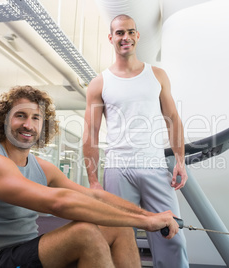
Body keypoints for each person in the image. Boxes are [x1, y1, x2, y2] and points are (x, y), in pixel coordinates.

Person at [0, 85, 180, 268]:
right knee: (85, 233)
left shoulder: (42, 168)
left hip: (28, 252)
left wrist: (150, 214)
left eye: (36, 118)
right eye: (20, 116)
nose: (28, 124)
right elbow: (58, 202)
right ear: (5, 120)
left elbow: (95, 197)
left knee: (119, 226)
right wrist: (144, 222)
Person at [83, 14, 189, 267]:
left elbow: (172, 118)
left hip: (154, 166)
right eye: (119, 33)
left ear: (137, 36)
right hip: (117, 169)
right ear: (111, 38)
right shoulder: (99, 83)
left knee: (172, 236)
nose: (125, 37)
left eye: (130, 32)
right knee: (120, 238)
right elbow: (91, 134)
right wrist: (94, 181)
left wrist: (180, 161)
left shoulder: (158, 75)